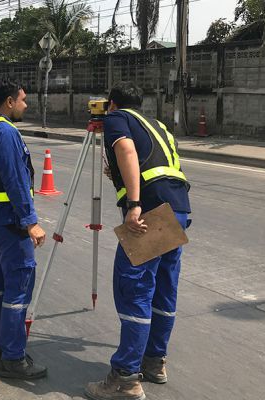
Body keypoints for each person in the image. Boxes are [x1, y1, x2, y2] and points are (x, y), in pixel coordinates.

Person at [85, 82, 191, 400]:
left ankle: (126, 378)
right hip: (178, 208)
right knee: (163, 287)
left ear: (113, 105)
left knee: (134, 289)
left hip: (151, 213)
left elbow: (126, 150)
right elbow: (155, 163)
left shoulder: (117, 119)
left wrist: (133, 204)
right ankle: (154, 361)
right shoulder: (156, 124)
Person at [0, 79, 47, 379]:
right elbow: (15, 180)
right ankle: (13, 357)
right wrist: (30, 222)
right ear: (9, 101)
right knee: (18, 288)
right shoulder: (5, 132)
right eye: (22, 100)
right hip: (11, 222)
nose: (26, 105)